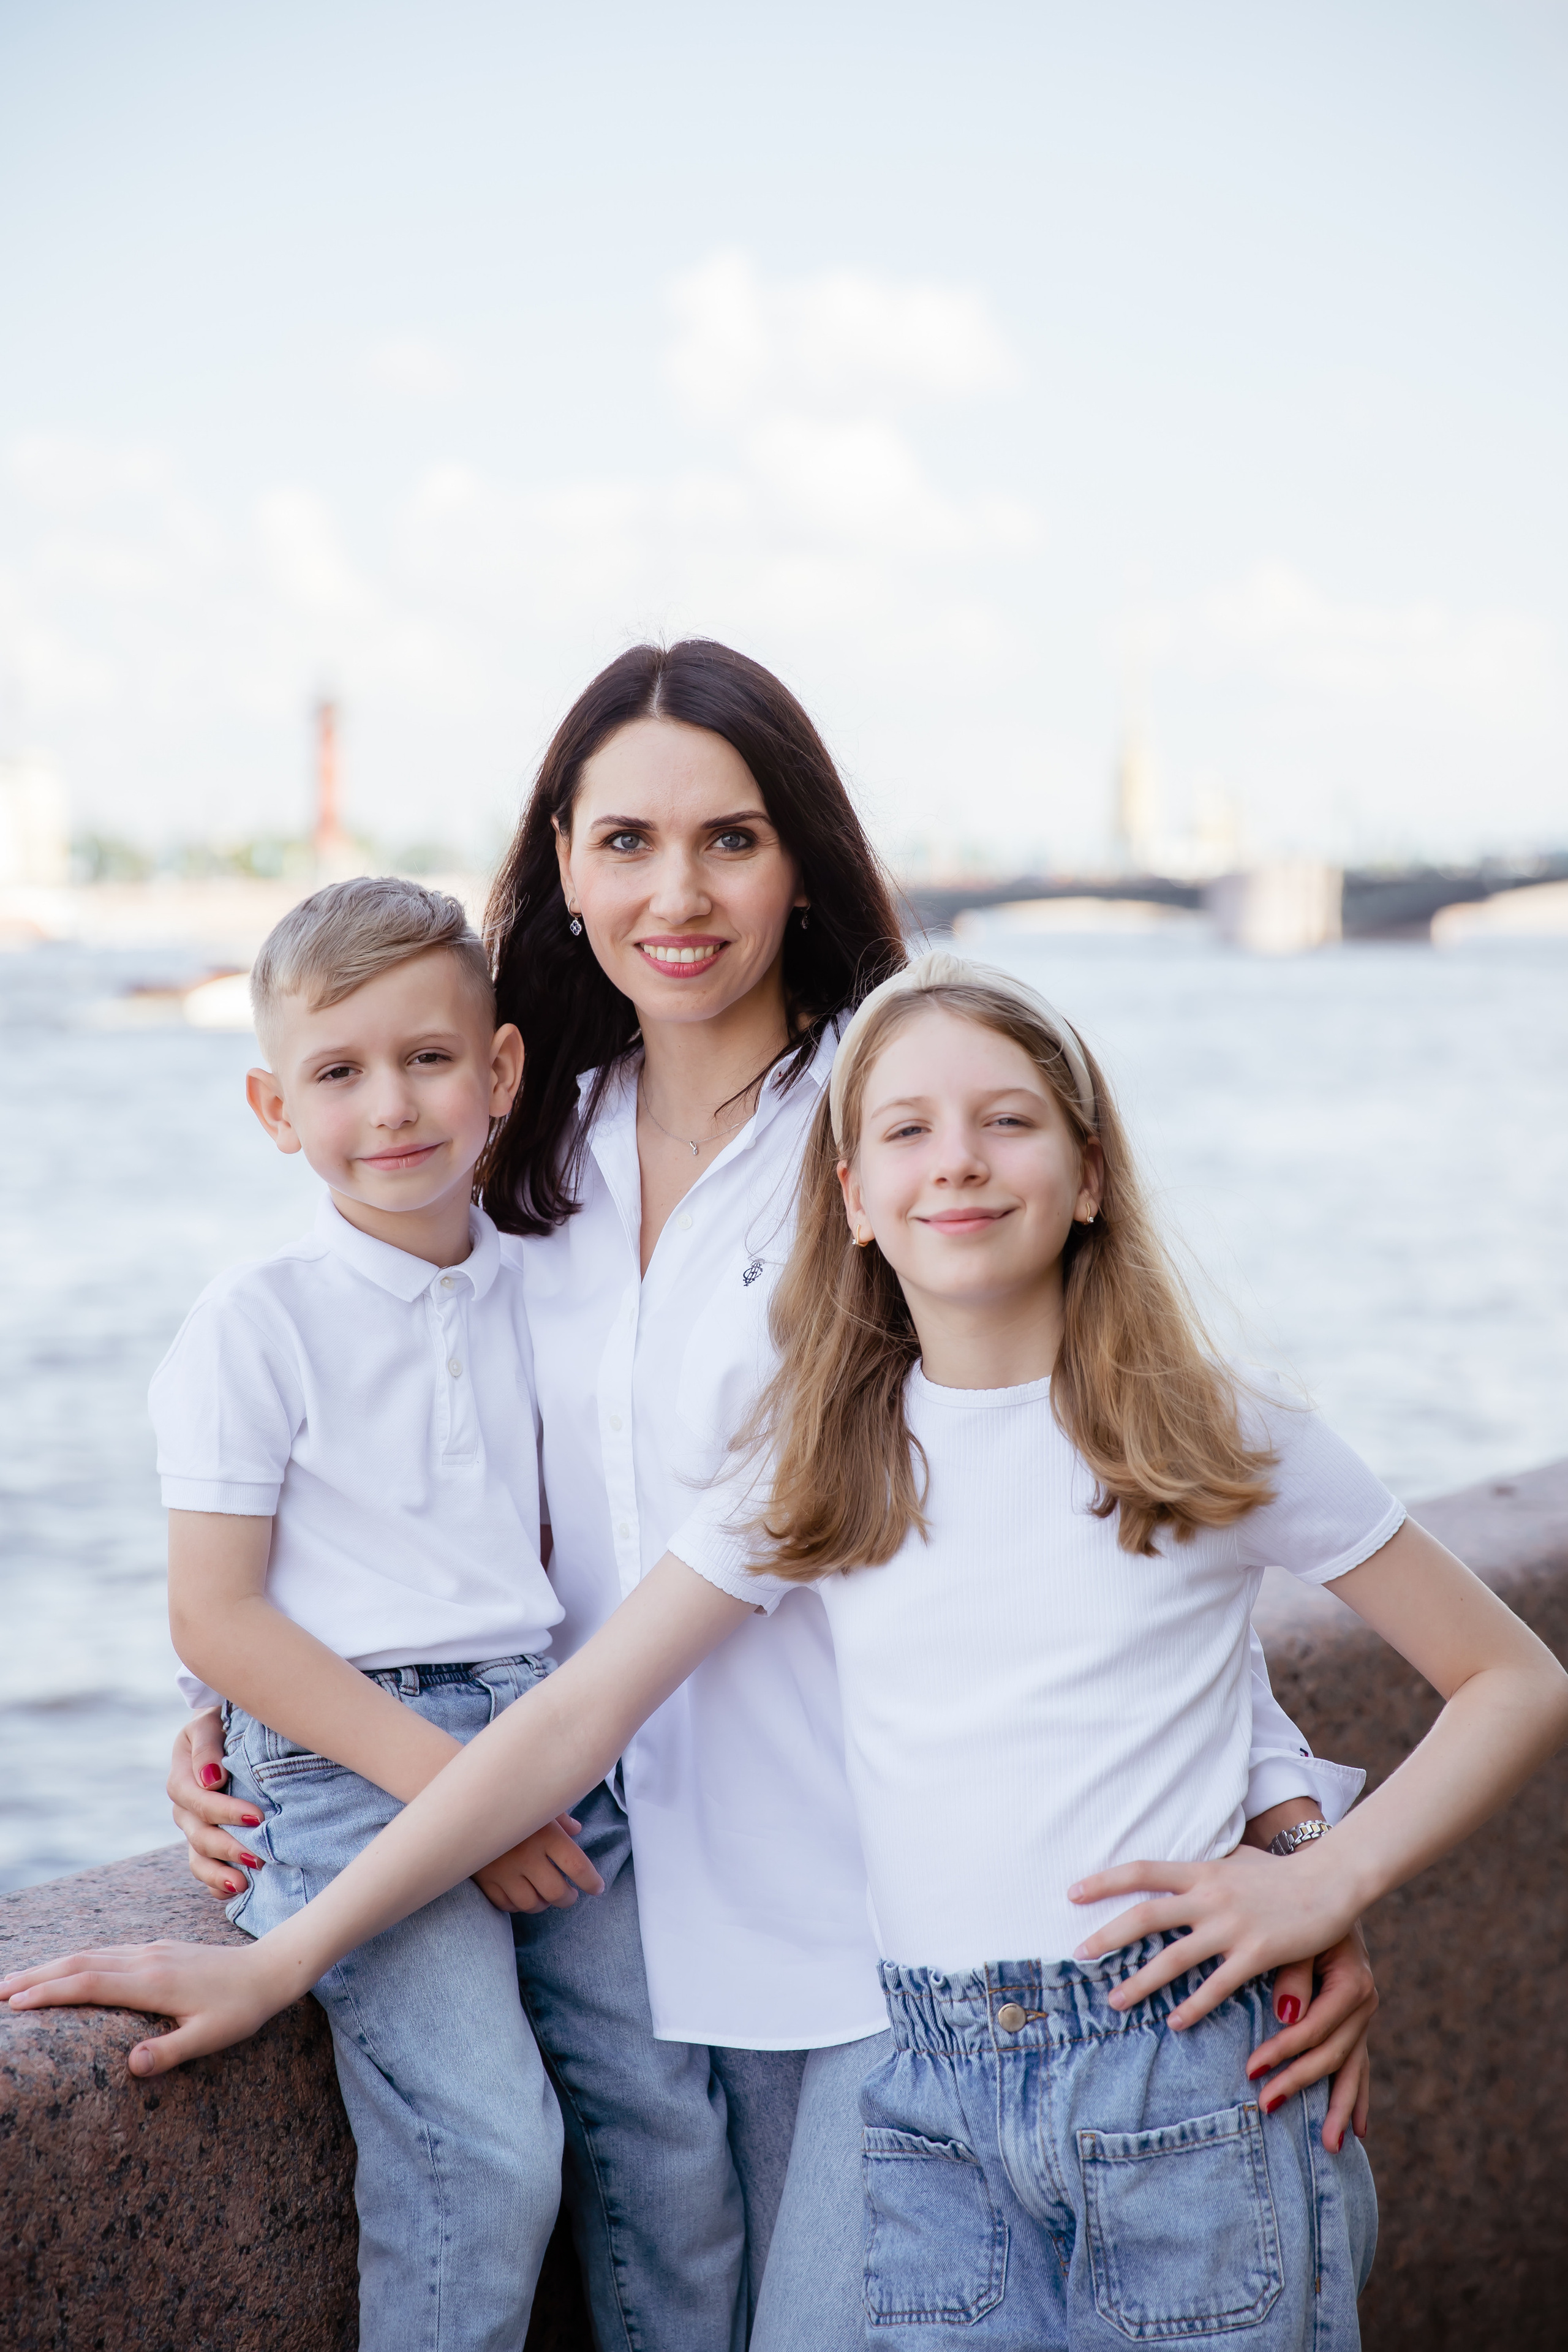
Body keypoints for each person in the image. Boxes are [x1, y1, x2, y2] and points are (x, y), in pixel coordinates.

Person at [12, 954, 1536, 2346]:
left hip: (1178, 2077)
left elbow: (1509, 1676)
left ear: (1087, 1176)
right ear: (853, 1199)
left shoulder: (1218, 1432)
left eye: (1007, 1122)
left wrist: (1324, 1871)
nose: (956, 1161)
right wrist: (281, 1953)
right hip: (928, 2096)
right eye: (906, 1134)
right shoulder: (826, 1464)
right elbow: (566, 1719)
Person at [159, 645, 1374, 2349]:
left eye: (731, 839)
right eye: (626, 842)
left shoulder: (890, 1132)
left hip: (883, 1922)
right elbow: (363, 1471)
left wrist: (1295, 1840)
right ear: (561, 867)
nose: (678, 892)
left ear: (801, 857)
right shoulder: (513, 1153)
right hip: (591, 1889)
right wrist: (243, 1717)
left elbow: (1096, 1484)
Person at [142, 876, 601, 2352]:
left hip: (542, 1718)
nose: (391, 1105)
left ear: (501, 1072)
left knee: (665, 2109)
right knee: (487, 2149)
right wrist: (471, 1798)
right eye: (339, 1074)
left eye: (427, 1058)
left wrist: (513, 1774)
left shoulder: (546, 1293)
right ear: (277, 1110)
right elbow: (218, 1622)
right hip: (354, 1767)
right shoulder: (255, 1319)